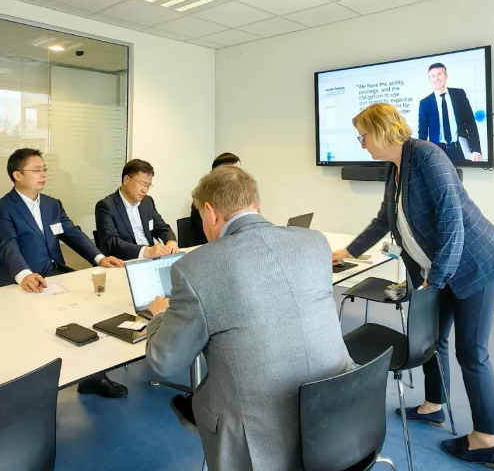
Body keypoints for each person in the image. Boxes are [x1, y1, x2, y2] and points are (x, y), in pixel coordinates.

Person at [333, 103, 494, 468]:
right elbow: (384, 220)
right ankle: (433, 405)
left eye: (363, 136)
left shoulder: (428, 156)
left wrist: (434, 281)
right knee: (432, 340)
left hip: (475, 265)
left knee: (471, 352)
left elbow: (452, 223)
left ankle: (486, 441)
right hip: (438, 270)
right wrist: (347, 252)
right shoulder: (394, 168)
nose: (362, 143)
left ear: (381, 131)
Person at [146, 165, 353, 471]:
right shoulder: (314, 242)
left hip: (259, 436)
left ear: (210, 212)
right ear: (255, 203)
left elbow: (164, 361)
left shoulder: (195, 268)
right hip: (339, 417)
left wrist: (160, 316)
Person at [0, 148, 128, 399]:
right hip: (23, 282)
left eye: (44, 169)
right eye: (36, 170)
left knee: (89, 313)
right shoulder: (1, 209)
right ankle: (32, 390)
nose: (43, 174)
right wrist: (24, 274)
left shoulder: (52, 204)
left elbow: (72, 233)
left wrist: (99, 257)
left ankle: (93, 378)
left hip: (55, 275)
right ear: (17, 175)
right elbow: (6, 245)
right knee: (33, 334)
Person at [95, 159, 178, 260]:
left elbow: (162, 227)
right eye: (142, 184)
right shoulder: (106, 206)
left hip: (151, 259)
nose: (145, 190)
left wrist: (171, 242)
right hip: (125, 261)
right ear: (126, 180)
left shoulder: (147, 202)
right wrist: (145, 251)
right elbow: (111, 242)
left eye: (148, 185)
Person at [418, 63, 483, 163]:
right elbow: (423, 132)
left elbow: (470, 123)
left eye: (439, 74)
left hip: (460, 149)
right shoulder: (425, 103)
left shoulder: (459, 95)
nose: (436, 78)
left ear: (446, 76)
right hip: (437, 151)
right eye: (433, 76)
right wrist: (422, 154)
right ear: (429, 80)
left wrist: (476, 150)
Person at [189, 152, 241, 246]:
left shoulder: (237, 196)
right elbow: (204, 235)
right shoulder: (203, 197)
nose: (240, 176)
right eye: (235, 172)